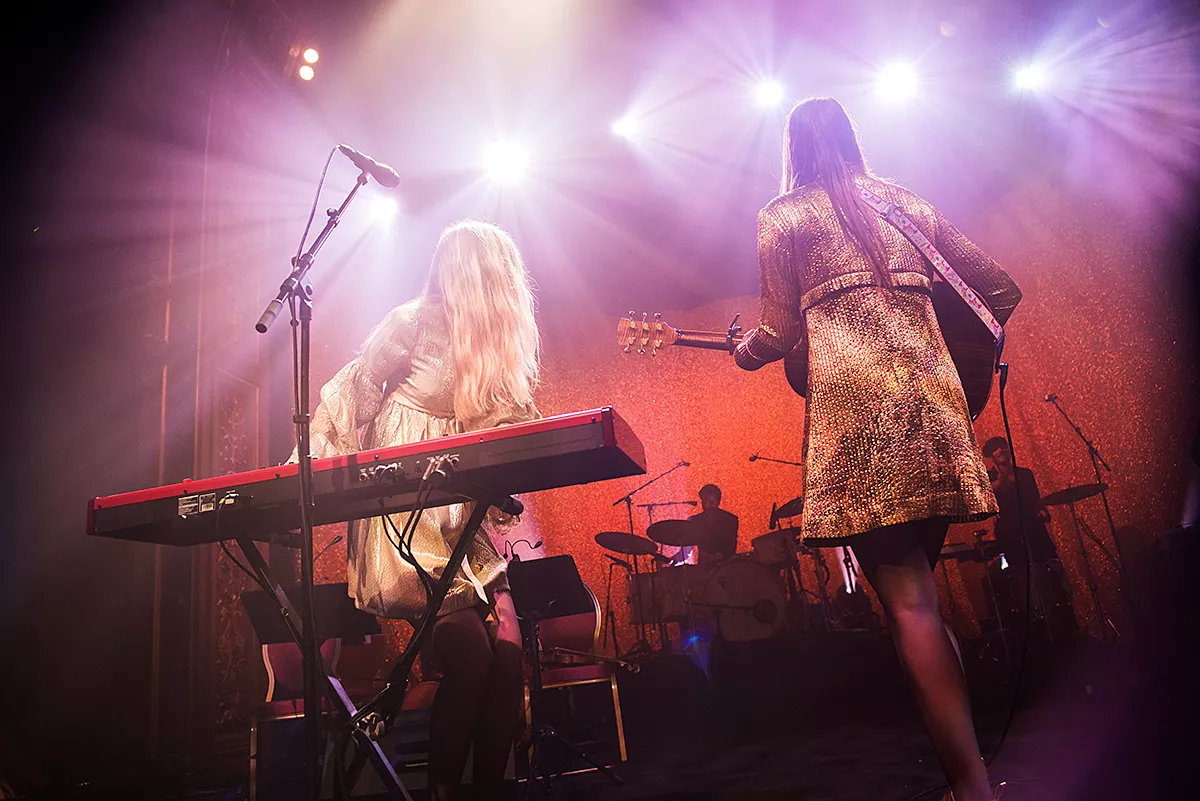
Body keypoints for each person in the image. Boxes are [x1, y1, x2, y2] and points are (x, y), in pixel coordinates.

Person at [733, 97, 1021, 801]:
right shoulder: (905, 203)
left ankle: (974, 788)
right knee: (923, 600)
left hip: (861, 431)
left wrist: (745, 352)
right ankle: (969, 780)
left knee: (911, 608)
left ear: (793, 148)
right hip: (938, 419)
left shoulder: (785, 215)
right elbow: (1001, 289)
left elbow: (771, 332)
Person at [303, 220, 540, 801]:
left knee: (509, 652)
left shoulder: (486, 347)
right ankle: (441, 793)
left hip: (462, 524)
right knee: (470, 655)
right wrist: (312, 471)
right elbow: (350, 391)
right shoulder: (410, 322)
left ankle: (489, 790)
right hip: (404, 520)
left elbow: (506, 429)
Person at [981, 437, 1075, 639]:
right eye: (995, 449)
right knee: (1023, 578)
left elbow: (1035, 501)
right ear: (990, 456)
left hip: (1034, 532)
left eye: (1002, 446)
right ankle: (1038, 623)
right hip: (1012, 536)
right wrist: (1001, 483)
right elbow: (986, 500)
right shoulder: (989, 478)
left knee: (1051, 569)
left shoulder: (1025, 474)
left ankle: (1062, 615)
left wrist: (1042, 511)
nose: (1001, 450)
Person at [687, 484, 739, 567]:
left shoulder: (730, 519)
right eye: (704, 502)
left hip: (726, 566)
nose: (707, 506)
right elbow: (687, 546)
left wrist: (719, 555)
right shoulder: (696, 520)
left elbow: (731, 544)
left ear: (718, 502)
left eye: (711, 502)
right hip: (704, 568)